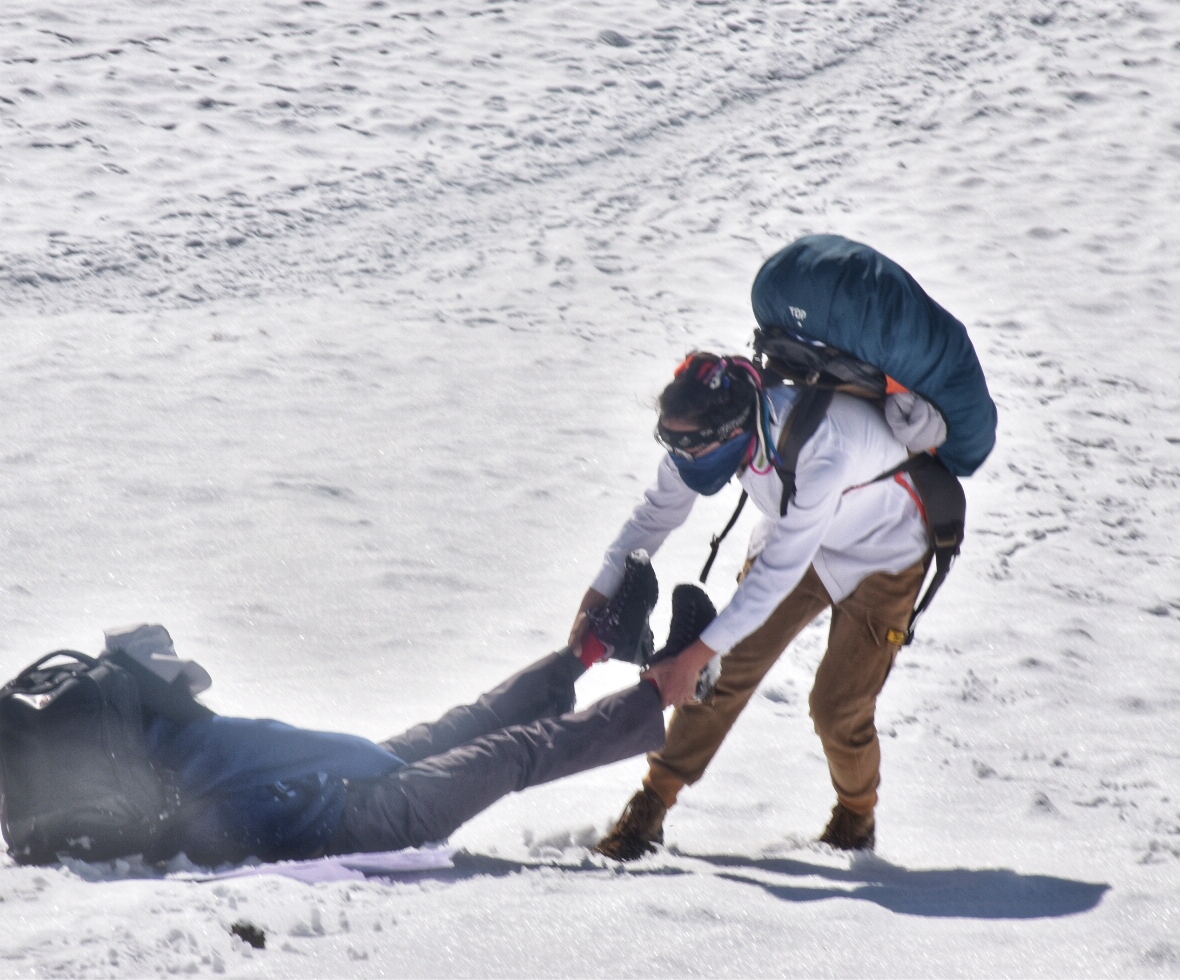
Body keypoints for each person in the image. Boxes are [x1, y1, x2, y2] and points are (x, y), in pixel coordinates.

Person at [574, 352, 933, 860]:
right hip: (799, 532)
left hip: (886, 551)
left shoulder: (822, 446)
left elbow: (775, 576)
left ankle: (856, 817)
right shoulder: (699, 440)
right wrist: (597, 596)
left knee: (837, 707)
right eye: (669, 441)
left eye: (690, 444)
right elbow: (656, 515)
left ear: (733, 427)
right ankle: (651, 804)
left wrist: (695, 655)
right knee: (725, 670)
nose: (681, 456)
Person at [138, 553, 705, 867]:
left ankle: (598, 645)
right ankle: (668, 684)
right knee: (510, 752)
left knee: (470, 725)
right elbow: (292, 746)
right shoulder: (191, 744)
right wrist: (389, 766)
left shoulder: (152, 761)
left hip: (333, 795)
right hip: (359, 823)